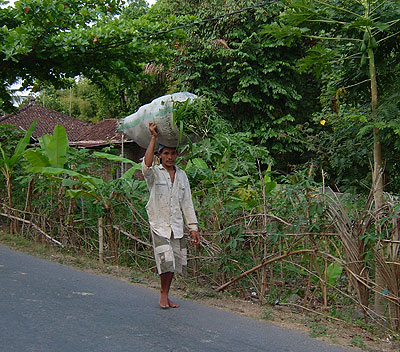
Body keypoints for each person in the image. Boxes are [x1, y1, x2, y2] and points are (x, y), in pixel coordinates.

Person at [142, 122, 201, 309]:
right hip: (159, 224)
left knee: (174, 262)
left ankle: (166, 294)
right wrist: (153, 138)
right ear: (160, 155)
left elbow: (187, 203)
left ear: (177, 155)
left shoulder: (182, 176)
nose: (169, 157)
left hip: (176, 226)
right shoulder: (154, 174)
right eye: (165, 153)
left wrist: (193, 227)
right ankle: (162, 294)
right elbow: (146, 165)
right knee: (165, 260)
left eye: (172, 153)